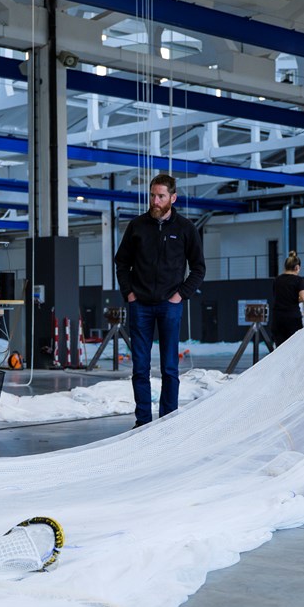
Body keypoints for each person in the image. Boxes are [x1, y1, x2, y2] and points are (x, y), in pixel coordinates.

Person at [115, 173, 206, 428]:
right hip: (140, 305)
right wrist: (129, 294)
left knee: (169, 368)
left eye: (161, 196)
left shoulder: (186, 229)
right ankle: (143, 422)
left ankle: (168, 422)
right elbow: (121, 263)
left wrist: (180, 295)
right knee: (140, 368)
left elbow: (198, 268)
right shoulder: (137, 226)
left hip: (170, 305)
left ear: (173, 198)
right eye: (153, 195)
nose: (155, 201)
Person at [271, 252, 304, 345]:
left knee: (279, 348)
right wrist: (295, 299)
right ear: (297, 267)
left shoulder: (277, 280)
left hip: (277, 318)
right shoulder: (299, 280)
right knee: (294, 347)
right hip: (292, 318)